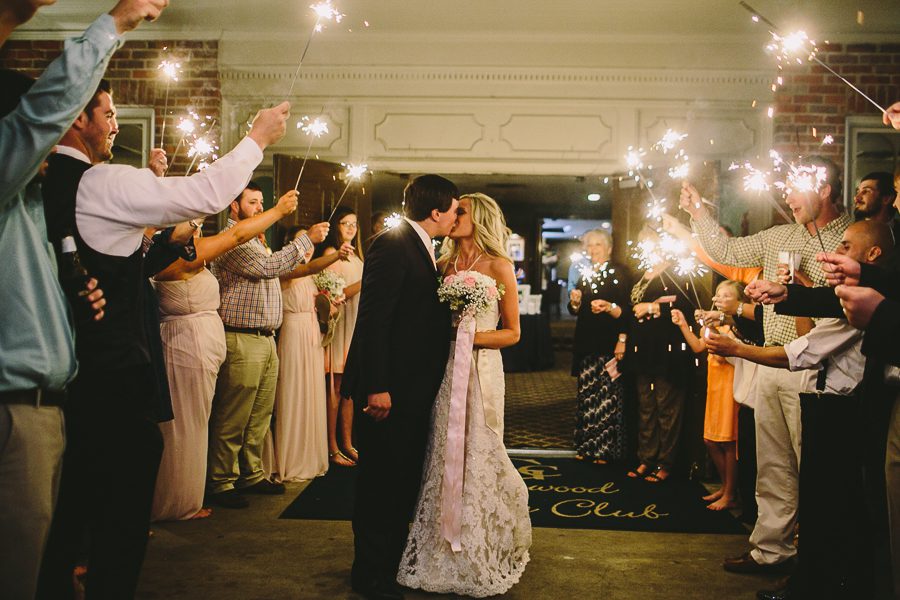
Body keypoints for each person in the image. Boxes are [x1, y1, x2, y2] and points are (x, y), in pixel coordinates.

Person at [0, 2, 164, 597]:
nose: (49, 145)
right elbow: (36, 119)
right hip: (16, 410)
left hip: (49, 407)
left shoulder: (29, 206)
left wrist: (69, 293)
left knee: (46, 557)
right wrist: (115, 23)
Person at [680, 157, 852, 574]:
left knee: (814, 467)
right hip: (770, 360)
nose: (788, 197)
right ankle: (770, 551)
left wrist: (803, 287)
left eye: (796, 189)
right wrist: (697, 211)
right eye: (786, 190)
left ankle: (817, 561)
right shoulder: (780, 235)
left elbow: (846, 308)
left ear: (824, 189)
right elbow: (726, 251)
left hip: (818, 368)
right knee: (773, 466)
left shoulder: (849, 239)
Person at [397, 192, 530, 597]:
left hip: (482, 370)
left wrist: (467, 336)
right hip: (444, 372)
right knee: (444, 449)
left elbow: (513, 332)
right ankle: (441, 543)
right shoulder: (443, 265)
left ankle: (483, 542)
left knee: (480, 449)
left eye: (462, 211)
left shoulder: (499, 265)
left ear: (480, 218)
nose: (454, 216)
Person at [149, 191, 300, 521]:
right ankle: (207, 487)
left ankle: (241, 476)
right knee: (209, 421)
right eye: (191, 225)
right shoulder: (175, 260)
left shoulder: (196, 255)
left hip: (214, 343)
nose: (195, 229)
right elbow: (238, 239)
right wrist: (280, 213)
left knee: (240, 417)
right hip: (188, 345)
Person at [341, 174, 458, 600]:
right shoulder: (392, 244)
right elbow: (374, 319)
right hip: (388, 389)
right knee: (380, 483)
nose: (456, 217)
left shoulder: (421, 246)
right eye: (454, 210)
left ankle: (387, 565)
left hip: (409, 388)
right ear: (436, 212)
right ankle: (370, 576)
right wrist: (377, 385)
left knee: (399, 480)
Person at [207, 182, 329, 509]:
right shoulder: (232, 240)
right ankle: (221, 480)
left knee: (260, 414)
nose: (260, 207)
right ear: (234, 206)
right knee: (234, 415)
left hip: (266, 337)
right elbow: (267, 267)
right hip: (241, 337)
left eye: (262, 202)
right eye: (253, 202)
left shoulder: (256, 240)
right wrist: (306, 239)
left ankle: (251, 473)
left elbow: (278, 266)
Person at [270, 226, 353, 482]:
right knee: (294, 391)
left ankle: (311, 454)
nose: (307, 249)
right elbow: (304, 270)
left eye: (309, 244)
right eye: (302, 243)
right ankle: (292, 458)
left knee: (311, 392)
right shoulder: (287, 271)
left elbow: (320, 307)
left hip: (313, 335)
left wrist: (329, 306)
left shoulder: (312, 276)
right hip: (294, 333)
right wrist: (336, 255)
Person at [672, 280, 746, 511]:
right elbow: (698, 346)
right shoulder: (715, 323)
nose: (719, 299)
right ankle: (725, 487)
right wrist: (683, 324)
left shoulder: (736, 326)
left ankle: (731, 492)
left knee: (728, 442)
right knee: (710, 440)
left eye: (726, 296)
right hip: (714, 386)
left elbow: (723, 355)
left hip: (729, 387)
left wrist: (711, 327)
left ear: (739, 301)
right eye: (718, 295)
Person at [567, 228, 630, 464]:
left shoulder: (619, 273)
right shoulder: (586, 273)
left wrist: (609, 308)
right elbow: (576, 310)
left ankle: (603, 449)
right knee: (587, 396)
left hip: (608, 343)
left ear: (609, 248)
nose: (592, 249)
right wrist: (575, 303)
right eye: (589, 245)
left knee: (606, 398)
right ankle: (586, 445)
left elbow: (626, 311)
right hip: (586, 343)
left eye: (598, 245)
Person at [320, 206, 365, 466]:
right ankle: (332, 446)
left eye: (354, 223)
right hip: (340, 325)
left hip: (355, 323)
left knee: (349, 389)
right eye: (345, 223)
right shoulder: (330, 254)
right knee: (336, 388)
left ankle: (348, 443)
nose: (351, 228)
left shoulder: (357, 256)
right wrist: (366, 282)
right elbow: (333, 295)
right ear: (335, 226)